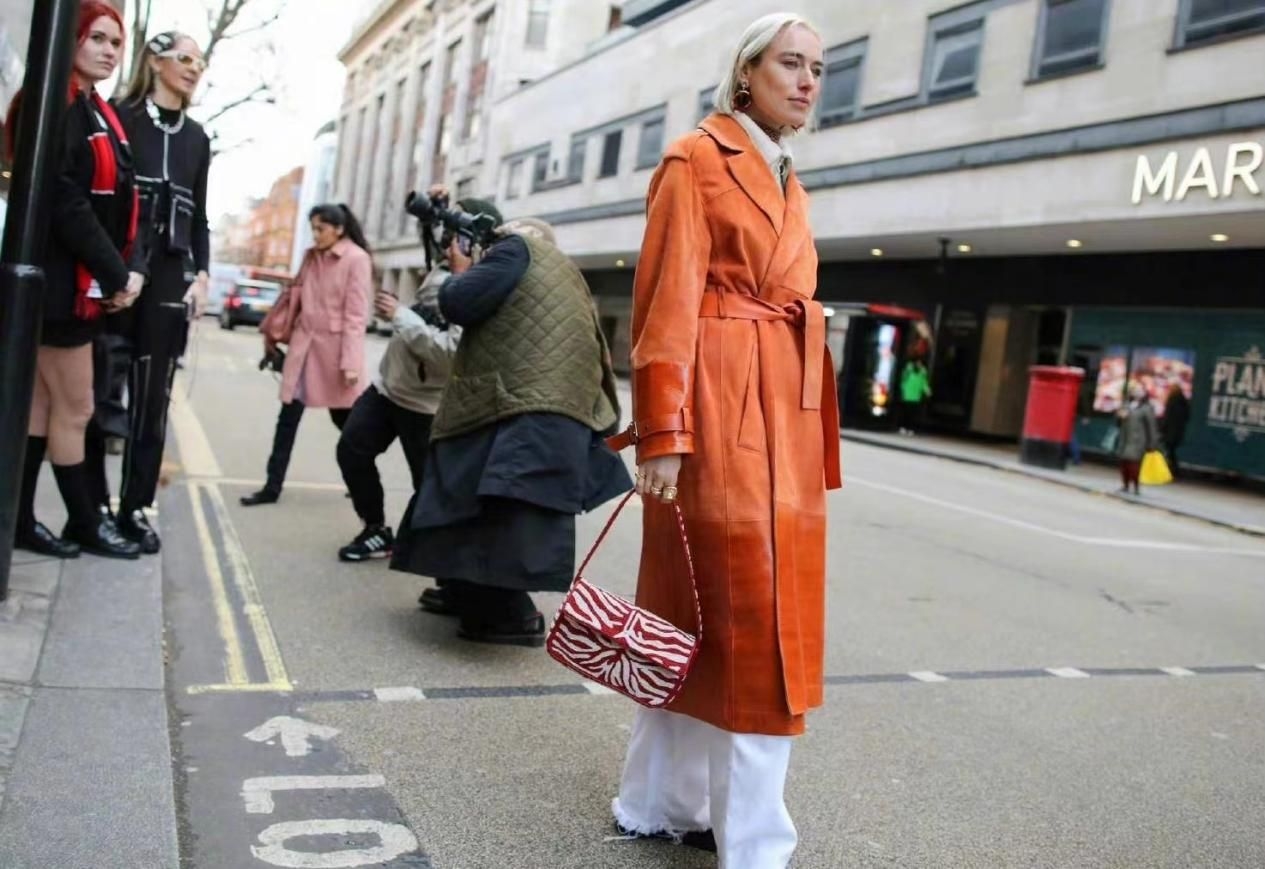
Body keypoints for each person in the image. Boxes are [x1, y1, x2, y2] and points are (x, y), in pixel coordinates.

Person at [608, 14, 840, 868]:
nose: (809, 80)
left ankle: (654, 802)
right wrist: (661, 432)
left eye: (819, 67)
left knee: (698, 616)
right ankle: (753, 842)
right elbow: (662, 304)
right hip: (718, 414)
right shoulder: (695, 158)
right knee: (741, 618)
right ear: (745, 72)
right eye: (792, 63)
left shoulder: (784, 172)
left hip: (783, 405)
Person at [391, 202, 632, 646]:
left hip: (525, 407)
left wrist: (460, 271)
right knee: (486, 505)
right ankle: (466, 593)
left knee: (500, 517)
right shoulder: (558, 271)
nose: (493, 239)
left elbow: (458, 302)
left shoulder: (518, 249)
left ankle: (508, 617)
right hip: (546, 410)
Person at [10, 1, 146, 560]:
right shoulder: (60, 106)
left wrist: (125, 267)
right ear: (71, 40)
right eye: (98, 39)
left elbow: (117, 203)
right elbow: (66, 203)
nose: (110, 51)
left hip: (75, 284)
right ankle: (84, 522)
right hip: (61, 285)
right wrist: (117, 272)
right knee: (77, 408)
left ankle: (19, 521)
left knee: (44, 409)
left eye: (116, 42)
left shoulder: (95, 110)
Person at [82, 29, 211, 553]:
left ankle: (135, 507)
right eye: (184, 58)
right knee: (98, 393)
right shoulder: (121, 115)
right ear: (156, 62)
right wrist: (111, 270)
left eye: (199, 62)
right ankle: (92, 508)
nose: (194, 68)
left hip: (167, 278)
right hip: (116, 273)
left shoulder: (197, 137)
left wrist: (201, 274)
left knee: (152, 399)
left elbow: (199, 214)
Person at [241, 204, 372, 506]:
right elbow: (293, 298)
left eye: (320, 229)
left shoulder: (356, 259)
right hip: (303, 349)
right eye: (313, 228)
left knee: (349, 427)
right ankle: (271, 487)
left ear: (338, 229)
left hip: (335, 354)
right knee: (286, 420)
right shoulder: (310, 256)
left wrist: (351, 363)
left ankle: (361, 480)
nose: (315, 235)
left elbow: (355, 316)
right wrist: (273, 334)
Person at [334, 263, 460, 562]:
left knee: (427, 484)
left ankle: (431, 555)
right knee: (351, 452)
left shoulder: (480, 283)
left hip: (427, 405)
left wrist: (401, 315)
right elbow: (426, 310)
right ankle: (375, 529)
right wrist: (399, 313)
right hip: (386, 389)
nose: (448, 242)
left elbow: (449, 354)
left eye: (455, 238)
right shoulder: (441, 268)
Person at [1117, 382, 1160, 495]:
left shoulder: (1147, 408)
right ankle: (1125, 485)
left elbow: (1151, 427)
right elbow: (1118, 422)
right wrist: (1120, 416)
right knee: (1124, 463)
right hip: (1125, 439)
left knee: (1134, 465)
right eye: (1135, 390)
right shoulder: (1126, 405)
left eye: (1140, 390)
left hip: (1138, 441)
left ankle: (1136, 487)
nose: (1137, 392)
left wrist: (1152, 443)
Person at [1161, 382, 1190, 478]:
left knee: (1169, 452)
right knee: (1171, 451)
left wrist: (1162, 429)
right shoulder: (1184, 402)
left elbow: (1167, 418)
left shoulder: (1171, 401)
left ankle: (1171, 470)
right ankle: (1174, 470)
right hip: (1178, 432)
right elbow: (1187, 417)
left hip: (1169, 432)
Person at [897, 356, 932, 436]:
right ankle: (903, 427)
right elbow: (903, 379)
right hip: (907, 394)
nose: (919, 364)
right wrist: (903, 389)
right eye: (918, 363)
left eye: (921, 363)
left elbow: (924, 382)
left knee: (912, 414)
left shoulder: (923, 372)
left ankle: (910, 428)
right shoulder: (909, 369)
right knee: (905, 412)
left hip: (916, 396)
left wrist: (927, 390)